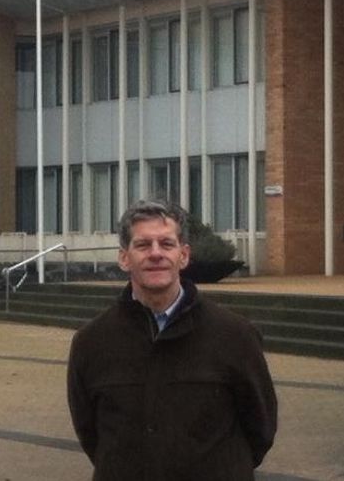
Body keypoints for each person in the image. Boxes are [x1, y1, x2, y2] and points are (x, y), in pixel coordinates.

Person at [66, 199, 277, 481]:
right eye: (143, 245)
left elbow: (260, 428)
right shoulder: (91, 342)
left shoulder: (234, 335)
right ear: (124, 258)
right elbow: (90, 433)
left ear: (184, 255)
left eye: (166, 244)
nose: (156, 254)